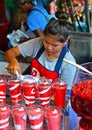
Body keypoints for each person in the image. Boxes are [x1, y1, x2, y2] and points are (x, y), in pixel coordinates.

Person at [5, 17, 76, 90]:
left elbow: (65, 94)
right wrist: (13, 61)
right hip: (30, 93)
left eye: (54, 45)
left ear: (65, 41)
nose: (49, 47)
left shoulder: (69, 63)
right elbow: (10, 52)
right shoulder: (38, 43)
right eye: (46, 42)